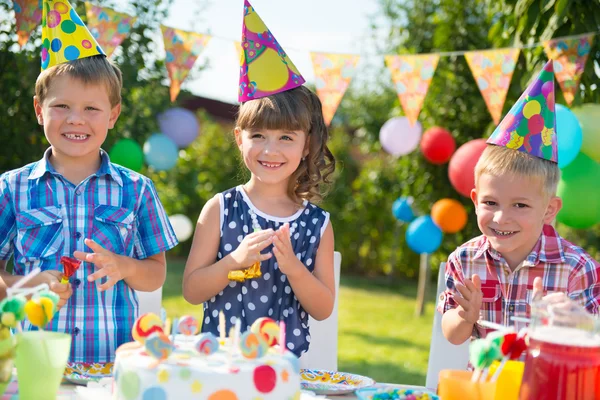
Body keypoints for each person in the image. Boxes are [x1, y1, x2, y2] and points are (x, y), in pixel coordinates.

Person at [0, 0, 178, 363]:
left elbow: (156, 274)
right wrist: (31, 284)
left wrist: (124, 266)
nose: (75, 120)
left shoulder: (137, 190)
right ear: (39, 110)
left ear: (112, 115)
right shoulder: (11, 189)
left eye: (91, 109)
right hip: (33, 362)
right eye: (61, 106)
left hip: (113, 365)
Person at [183, 0, 336, 357]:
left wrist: (293, 267)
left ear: (306, 145)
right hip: (220, 363)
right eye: (258, 136)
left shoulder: (316, 224)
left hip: (284, 371)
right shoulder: (221, 209)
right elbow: (191, 290)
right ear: (240, 139)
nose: (271, 150)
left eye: (286, 138)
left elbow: (323, 307)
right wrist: (234, 259)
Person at [438, 60, 600, 345]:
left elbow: (591, 338)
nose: (501, 217)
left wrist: (573, 321)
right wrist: (465, 316)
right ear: (475, 200)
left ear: (549, 209)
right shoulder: (464, 260)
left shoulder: (577, 268)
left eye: (520, 205)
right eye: (490, 202)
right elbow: (452, 334)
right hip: (486, 388)